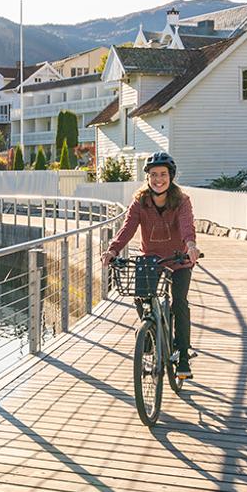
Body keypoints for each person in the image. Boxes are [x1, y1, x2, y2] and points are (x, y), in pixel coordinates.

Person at [101, 151, 204, 379]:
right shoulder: (140, 201)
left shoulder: (182, 201)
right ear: (147, 177)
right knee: (141, 298)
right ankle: (150, 334)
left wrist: (191, 246)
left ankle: (183, 354)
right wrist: (113, 249)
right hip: (151, 260)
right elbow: (128, 227)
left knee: (179, 303)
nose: (159, 179)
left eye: (163, 174)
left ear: (171, 176)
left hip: (179, 259)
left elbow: (188, 226)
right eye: (154, 174)